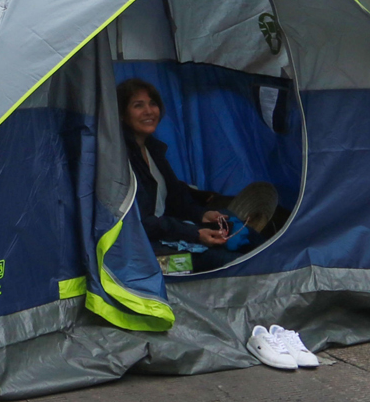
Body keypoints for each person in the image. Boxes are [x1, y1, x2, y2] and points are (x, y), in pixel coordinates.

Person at [117, 79, 278, 272]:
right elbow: (141, 223)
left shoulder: (153, 150)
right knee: (224, 261)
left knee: (230, 222)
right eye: (138, 105)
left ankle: (282, 264)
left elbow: (177, 200)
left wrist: (202, 214)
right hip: (144, 258)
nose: (149, 111)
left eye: (153, 104)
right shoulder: (119, 159)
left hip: (165, 234)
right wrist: (194, 233)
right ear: (121, 114)